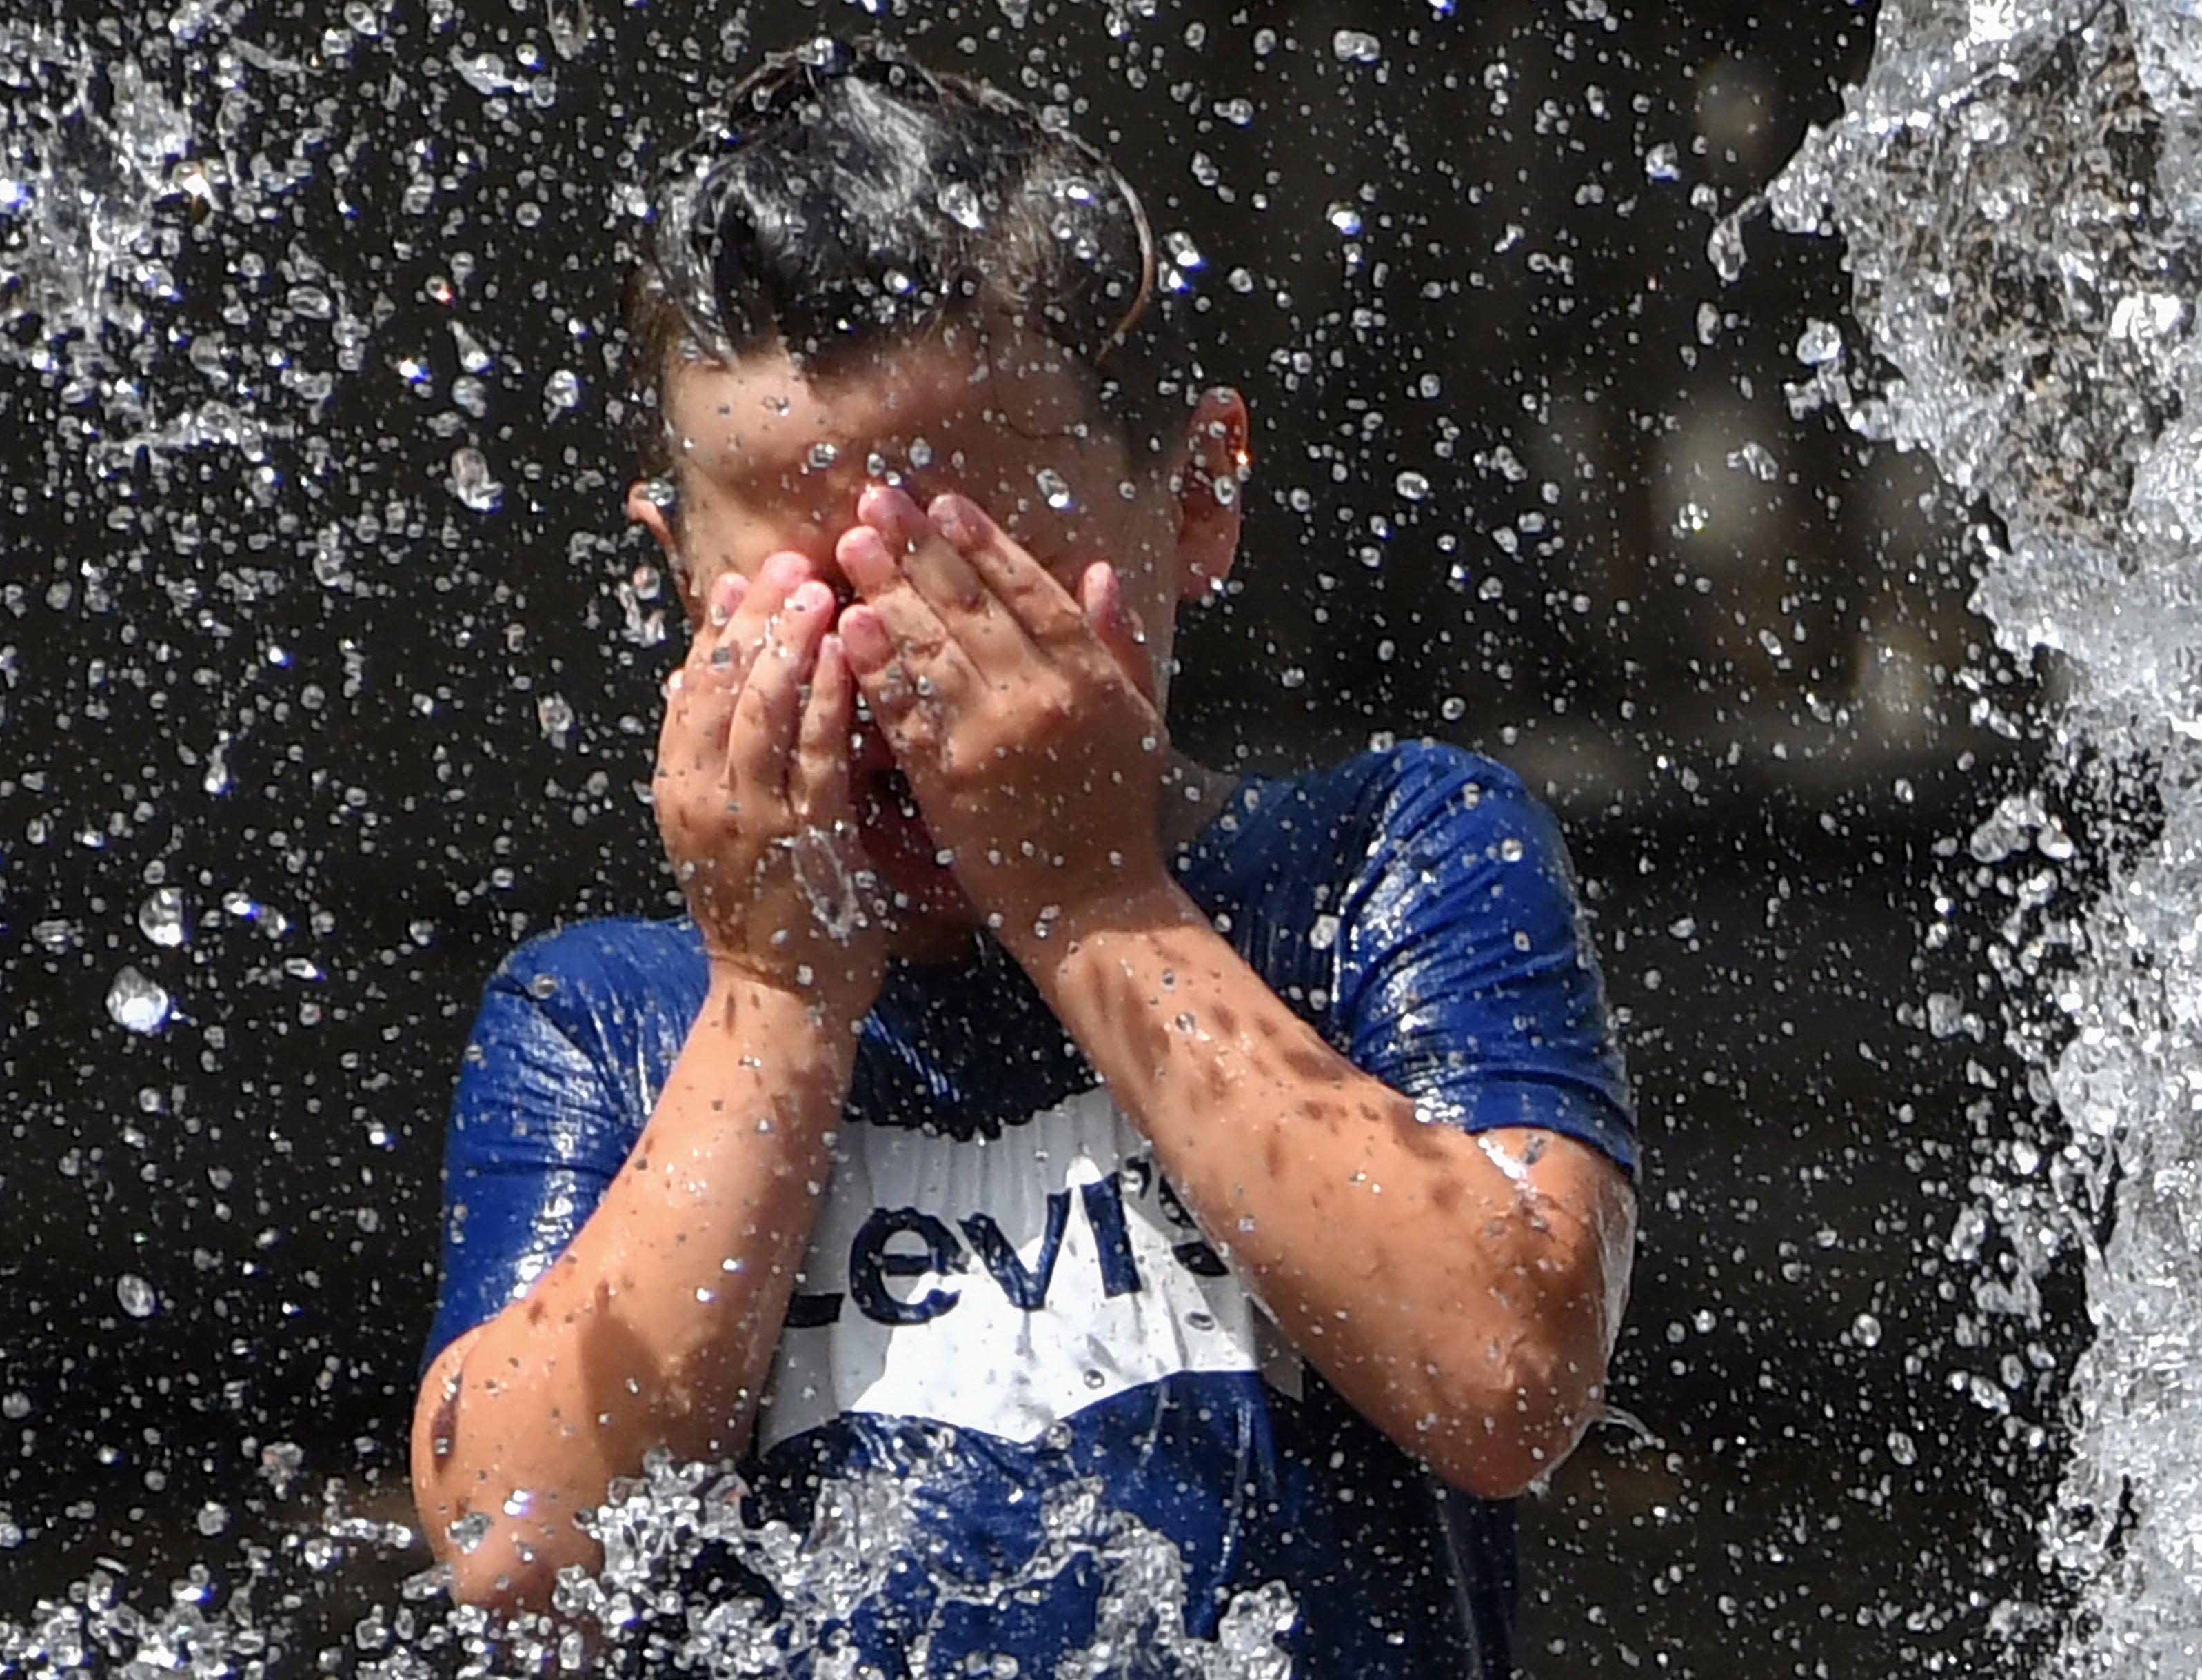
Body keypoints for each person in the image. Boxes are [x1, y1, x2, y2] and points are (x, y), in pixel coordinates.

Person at [412, 37, 1638, 1677]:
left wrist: (1096, 903)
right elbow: (520, 1564)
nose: (899, 676)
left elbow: (1507, 1371)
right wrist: (775, 996)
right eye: (803, 607)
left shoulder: (1379, 865)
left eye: (969, 577)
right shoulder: (607, 1023)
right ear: (674, 580)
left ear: (1198, 495)